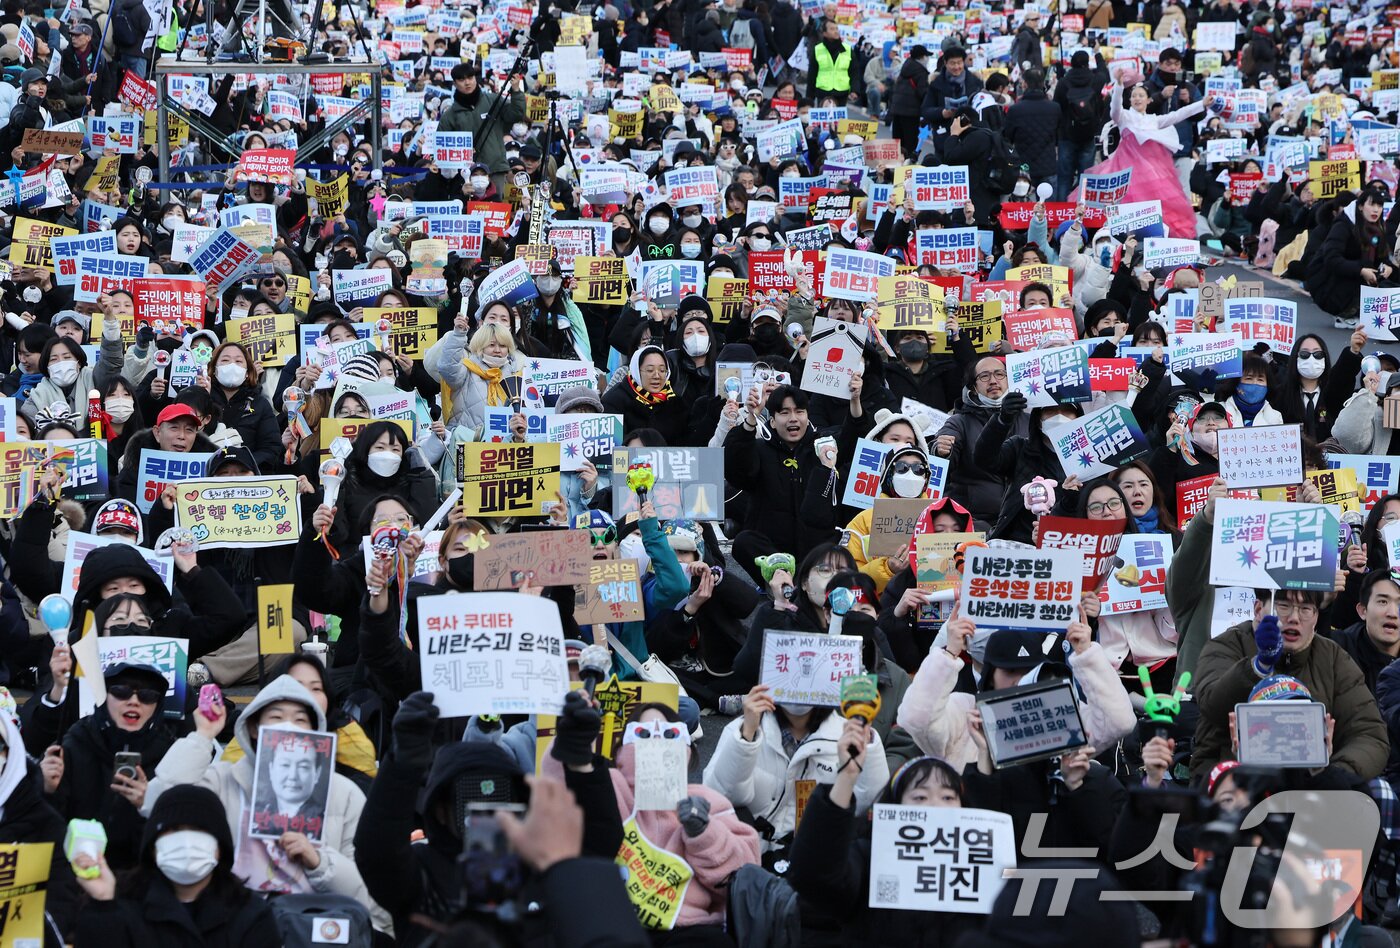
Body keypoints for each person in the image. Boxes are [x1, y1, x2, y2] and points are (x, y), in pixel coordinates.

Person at [143, 674, 391, 930]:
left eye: (300, 720)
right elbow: (157, 803)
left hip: (311, 932)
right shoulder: (223, 780)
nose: (288, 728)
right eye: (276, 717)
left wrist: (319, 861)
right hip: (231, 929)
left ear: (314, 730)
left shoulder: (343, 793)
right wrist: (203, 736)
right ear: (253, 727)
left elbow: (373, 896)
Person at [1191, 585, 1389, 784]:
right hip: (1233, 783)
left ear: (1316, 617)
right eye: (1283, 606)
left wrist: (1333, 775)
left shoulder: (1333, 658)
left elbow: (1369, 734)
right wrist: (1259, 666)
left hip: (1313, 785)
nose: (1294, 618)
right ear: (1258, 609)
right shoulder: (1227, 645)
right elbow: (1211, 703)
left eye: (1306, 609)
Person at [72, 785, 281, 948]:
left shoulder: (250, 913)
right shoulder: (123, 901)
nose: (186, 841)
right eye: (173, 830)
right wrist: (103, 905)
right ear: (153, 846)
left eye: (199, 830)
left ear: (220, 847)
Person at [1081, 76, 1212, 240]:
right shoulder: (1124, 117)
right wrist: (1119, 87)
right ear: (1129, 100)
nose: (1137, 98)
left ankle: (1155, 240)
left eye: (1141, 95)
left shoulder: (1154, 120)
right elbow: (1115, 109)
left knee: (1158, 206)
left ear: (1149, 100)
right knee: (1123, 206)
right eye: (1134, 96)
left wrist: (1201, 104)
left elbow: (1179, 114)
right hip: (1126, 170)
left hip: (1152, 172)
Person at [890, 45, 930, 159]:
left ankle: (896, 166)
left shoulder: (905, 67)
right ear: (922, 57)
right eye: (926, 56)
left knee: (898, 143)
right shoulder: (921, 72)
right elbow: (923, 92)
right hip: (911, 112)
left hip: (897, 109)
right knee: (910, 143)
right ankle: (908, 166)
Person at [807, 19, 859, 104]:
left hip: (842, 93)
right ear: (824, 33)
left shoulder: (847, 49)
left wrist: (854, 90)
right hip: (823, 92)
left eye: (836, 28)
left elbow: (854, 72)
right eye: (832, 29)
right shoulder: (817, 49)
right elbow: (812, 75)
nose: (836, 31)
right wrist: (809, 99)